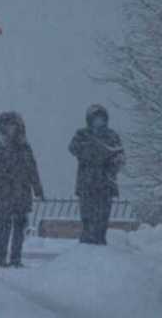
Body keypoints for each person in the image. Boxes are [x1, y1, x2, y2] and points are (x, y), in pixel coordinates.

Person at [0, 111, 44, 267]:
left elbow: (32, 170)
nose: (10, 128)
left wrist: (38, 189)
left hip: (21, 192)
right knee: (5, 226)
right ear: (2, 127)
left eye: (13, 125)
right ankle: (0, 259)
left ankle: (16, 259)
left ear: (18, 127)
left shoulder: (25, 148)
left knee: (19, 226)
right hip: (3, 193)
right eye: (7, 125)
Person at [69, 104, 124, 245]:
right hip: (87, 183)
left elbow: (120, 158)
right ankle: (86, 241)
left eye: (101, 118)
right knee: (87, 215)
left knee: (103, 216)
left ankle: (100, 240)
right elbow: (73, 148)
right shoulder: (82, 134)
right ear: (90, 119)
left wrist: (110, 162)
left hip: (106, 183)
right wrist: (92, 151)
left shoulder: (112, 135)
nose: (98, 121)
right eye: (95, 118)